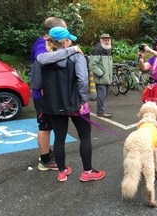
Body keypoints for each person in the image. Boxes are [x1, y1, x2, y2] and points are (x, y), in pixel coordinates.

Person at [37, 27, 106, 182]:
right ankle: (87, 172)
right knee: (85, 137)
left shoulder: (44, 58)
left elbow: (39, 79)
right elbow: (82, 80)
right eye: (70, 40)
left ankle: (62, 172)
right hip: (76, 103)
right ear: (66, 40)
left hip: (53, 105)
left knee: (59, 138)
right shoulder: (76, 56)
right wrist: (82, 101)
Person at [30, 17, 83, 171]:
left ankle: (47, 154)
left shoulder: (48, 44)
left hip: (49, 94)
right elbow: (42, 58)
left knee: (51, 127)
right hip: (42, 95)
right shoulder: (42, 43)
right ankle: (45, 161)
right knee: (45, 127)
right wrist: (71, 50)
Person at [89, 33, 113, 118]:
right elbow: (92, 65)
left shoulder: (108, 49)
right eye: (105, 40)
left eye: (108, 40)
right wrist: (101, 74)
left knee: (104, 96)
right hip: (101, 78)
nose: (107, 42)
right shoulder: (97, 50)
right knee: (101, 96)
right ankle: (100, 111)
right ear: (101, 40)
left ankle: (103, 109)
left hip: (106, 78)